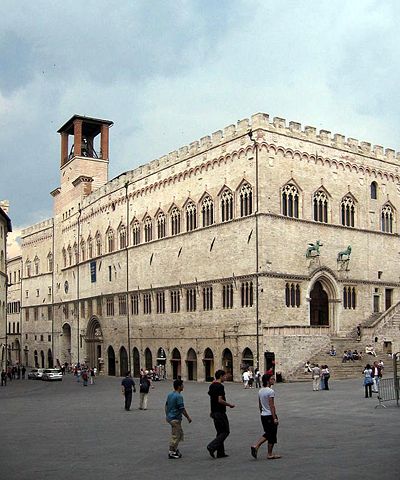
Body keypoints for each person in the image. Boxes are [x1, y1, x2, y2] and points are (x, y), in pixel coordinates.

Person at [251, 373, 281, 460]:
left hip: (263, 415)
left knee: (269, 433)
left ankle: (268, 453)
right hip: (269, 415)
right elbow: (272, 405)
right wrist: (274, 417)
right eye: (272, 379)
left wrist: (261, 412)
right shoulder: (270, 391)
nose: (273, 380)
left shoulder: (260, 391)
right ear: (268, 381)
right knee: (271, 434)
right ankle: (258, 446)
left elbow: (260, 405)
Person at [206, 369, 235, 459]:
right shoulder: (220, 386)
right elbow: (219, 400)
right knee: (225, 431)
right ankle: (212, 446)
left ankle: (220, 452)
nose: (225, 377)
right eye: (224, 376)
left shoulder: (212, 386)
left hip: (214, 411)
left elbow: (212, 398)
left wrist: (211, 411)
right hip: (220, 412)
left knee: (219, 432)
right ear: (221, 376)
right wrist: (229, 404)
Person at [165, 379, 192, 459]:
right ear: (179, 386)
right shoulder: (179, 396)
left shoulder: (170, 394)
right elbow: (182, 409)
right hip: (175, 418)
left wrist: (167, 414)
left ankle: (174, 449)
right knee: (176, 435)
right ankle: (171, 451)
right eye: (182, 385)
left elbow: (166, 405)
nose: (183, 386)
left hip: (170, 417)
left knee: (179, 434)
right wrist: (188, 417)